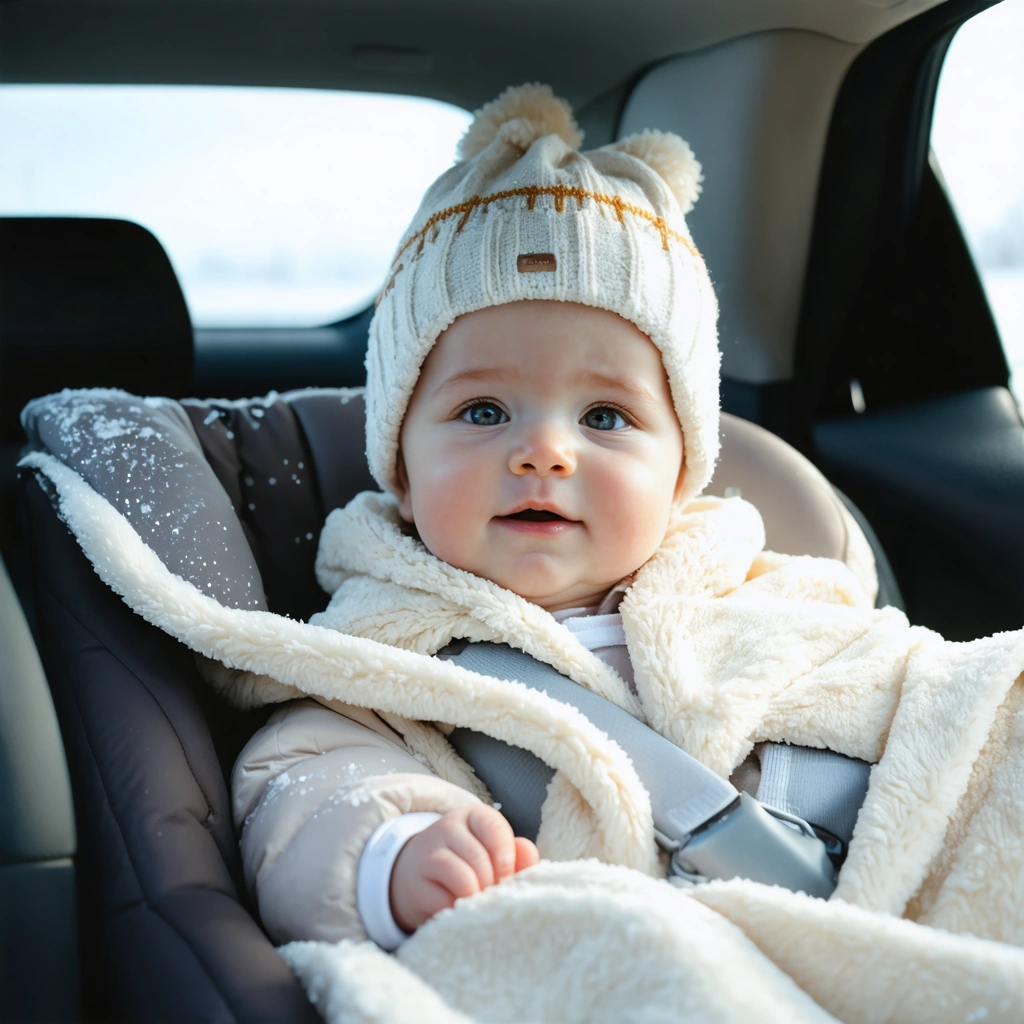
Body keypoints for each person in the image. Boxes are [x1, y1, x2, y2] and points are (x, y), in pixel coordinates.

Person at [229, 82, 1018, 957]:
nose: (544, 453)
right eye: (485, 411)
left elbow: (933, 710)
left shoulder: (780, 607)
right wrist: (392, 853)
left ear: (682, 478)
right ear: (402, 475)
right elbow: (299, 788)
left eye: (604, 418)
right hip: (621, 952)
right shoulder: (377, 665)